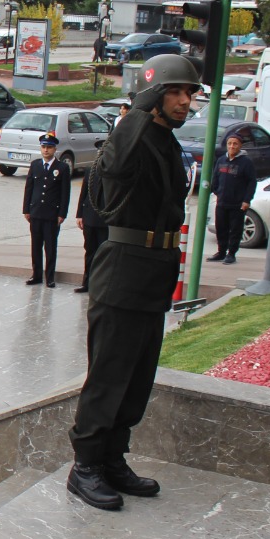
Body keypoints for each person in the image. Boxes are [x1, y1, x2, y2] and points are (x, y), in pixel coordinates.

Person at [67, 52, 200, 512]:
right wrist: (140, 109)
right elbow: (117, 167)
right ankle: (84, 466)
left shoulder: (165, 139)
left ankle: (112, 458)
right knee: (109, 375)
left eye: (189, 93)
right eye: (176, 92)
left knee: (138, 377)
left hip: (153, 270)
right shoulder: (135, 131)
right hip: (124, 267)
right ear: (154, 95)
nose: (185, 101)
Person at [22, 133, 71, 288]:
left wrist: (62, 213)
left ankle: (49, 277)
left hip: (51, 215)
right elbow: (29, 188)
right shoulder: (35, 165)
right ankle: (36, 275)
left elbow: (65, 193)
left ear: (54, 149)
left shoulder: (62, 168)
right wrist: (26, 209)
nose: (46, 150)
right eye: (43, 147)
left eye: (49, 147)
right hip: (35, 212)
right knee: (35, 246)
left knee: (50, 247)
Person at [207, 134, 256, 265]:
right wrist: (216, 190)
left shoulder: (246, 162)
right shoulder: (221, 160)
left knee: (235, 229)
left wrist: (247, 200)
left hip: (238, 204)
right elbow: (216, 177)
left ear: (240, 145)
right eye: (230, 143)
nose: (232, 146)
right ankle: (221, 252)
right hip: (222, 201)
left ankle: (231, 253)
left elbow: (252, 182)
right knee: (221, 228)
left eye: (235, 144)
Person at [74, 165, 108, 294]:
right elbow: (84, 192)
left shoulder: (114, 170)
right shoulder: (90, 170)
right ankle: (86, 283)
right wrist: (80, 214)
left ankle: (100, 285)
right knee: (89, 251)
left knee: (103, 254)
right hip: (89, 217)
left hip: (105, 220)